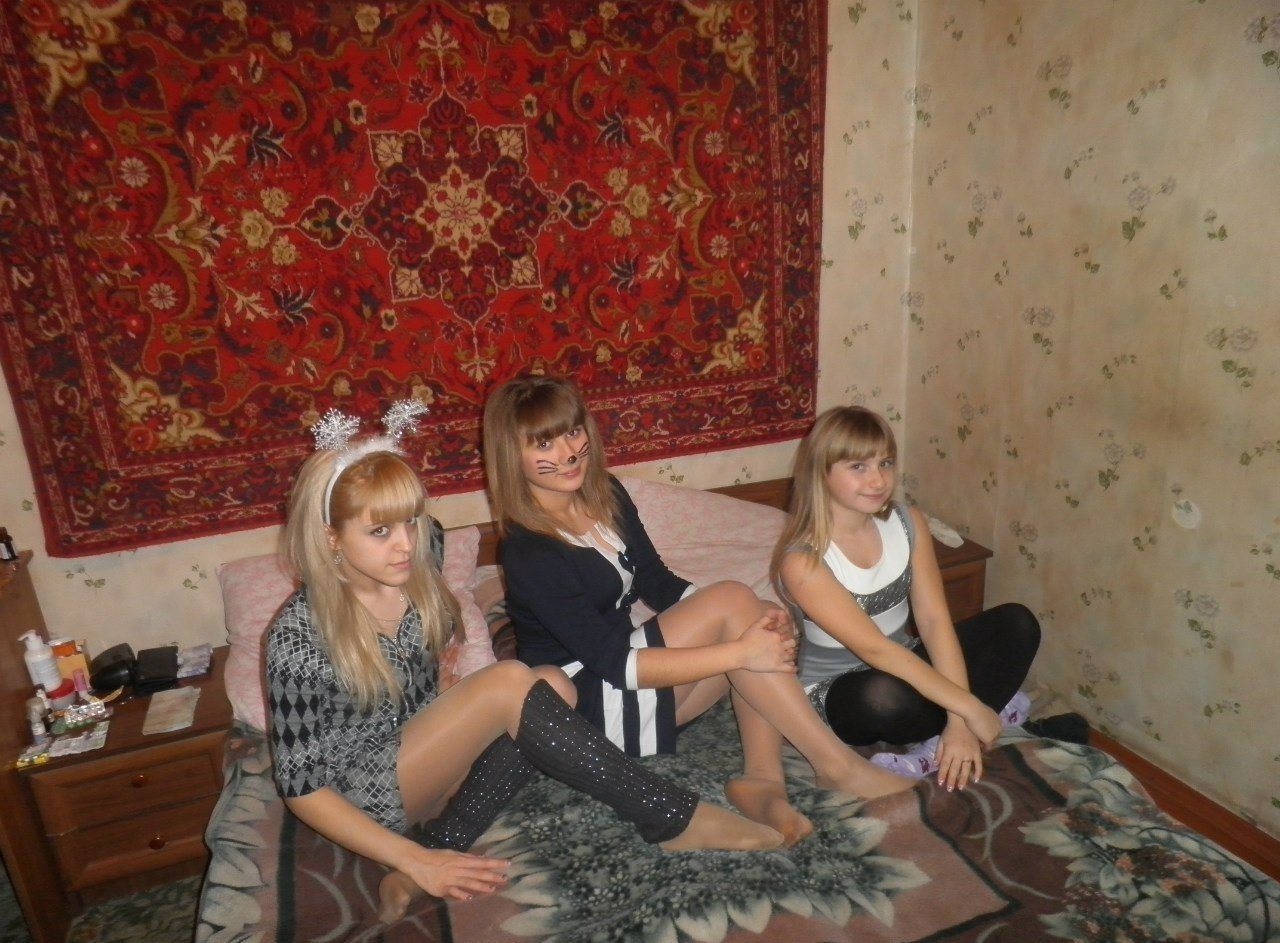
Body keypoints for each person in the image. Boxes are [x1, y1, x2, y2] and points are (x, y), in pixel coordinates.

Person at [265, 403, 784, 925]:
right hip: (363, 798)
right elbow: (302, 789)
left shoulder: (425, 549)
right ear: (331, 538)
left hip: (429, 758)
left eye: (411, 520)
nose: (405, 544)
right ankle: (667, 815)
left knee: (551, 683)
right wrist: (411, 858)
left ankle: (445, 839)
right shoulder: (298, 636)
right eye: (379, 532)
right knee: (510, 680)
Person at [483, 376, 915, 848]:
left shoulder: (604, 493)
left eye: (572, 432)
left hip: (634, 686)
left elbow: (657, 581)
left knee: (747, 611)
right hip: (588, 714)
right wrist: (739, 651)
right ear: (511, 455)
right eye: (544, 443)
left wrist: (749, 620)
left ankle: (762, 781)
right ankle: (836, 764)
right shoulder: (529, 552)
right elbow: (616, 664)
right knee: (737, 615)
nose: (568, 453)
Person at [772, 405, 1046, 794]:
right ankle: (989, 709)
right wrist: (969, 706)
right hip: (840, 688)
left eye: (885, 463)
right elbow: (876, 650)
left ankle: (943, 740)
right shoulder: (804, 560)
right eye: (858, 467)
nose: (878, 480)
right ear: (822, 471)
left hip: (905, 657)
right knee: (884, 697)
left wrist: (958, 722)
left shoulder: (907, 521)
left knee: (1017, 622)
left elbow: (933, 621)